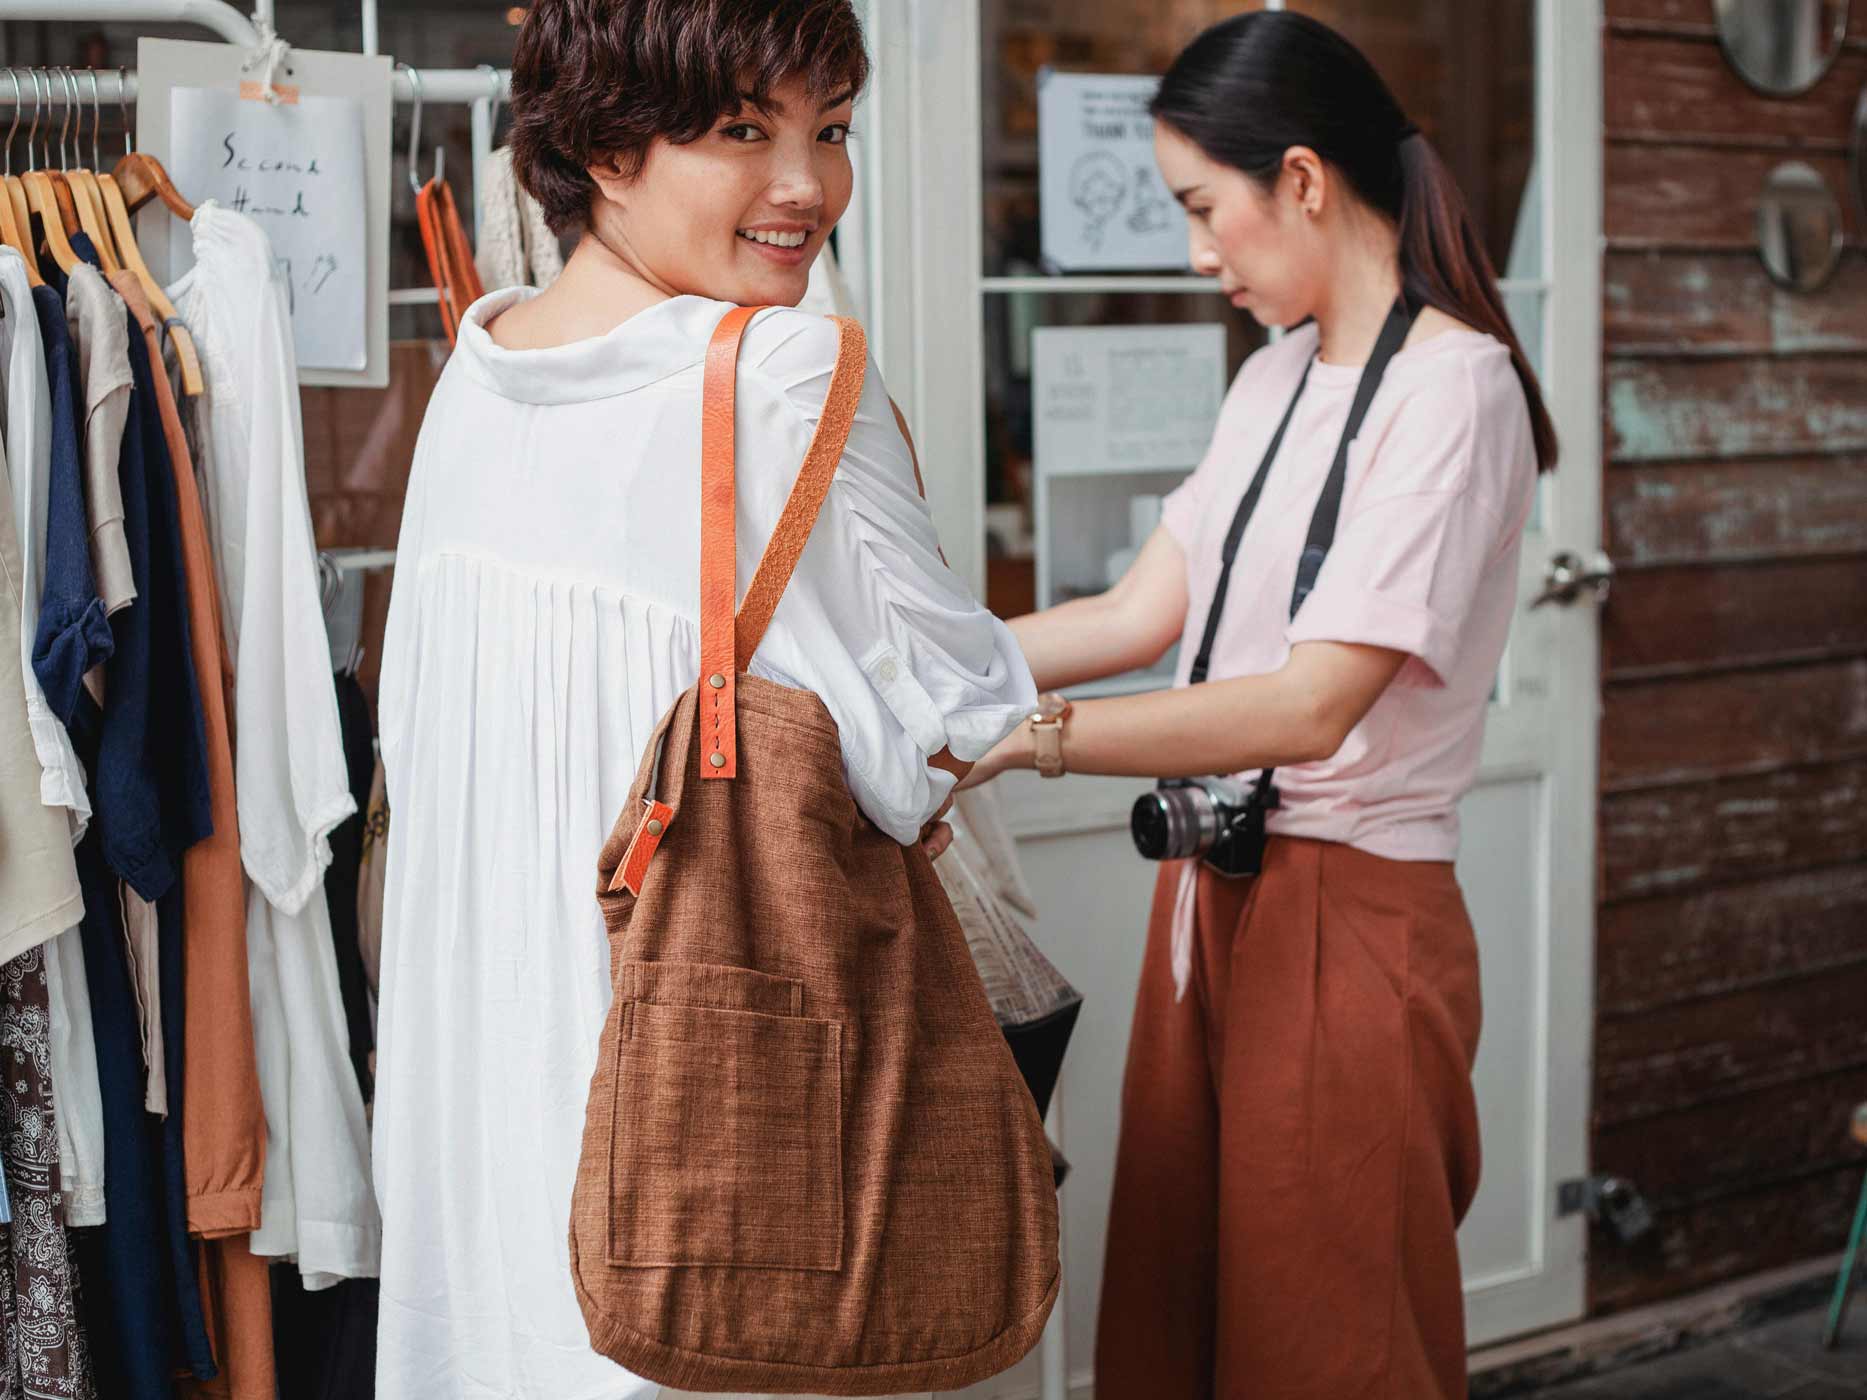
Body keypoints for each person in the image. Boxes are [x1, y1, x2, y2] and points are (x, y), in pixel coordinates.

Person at [372, 3, 1035, 1397]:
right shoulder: (789, 375)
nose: (809, 185)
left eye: (830, 130)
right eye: (746, 129)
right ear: (608, 147)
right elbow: (943, 734)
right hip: (710, 1159)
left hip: (492, 1130)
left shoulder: (476, 375)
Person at [963, 12, 1558, 1399]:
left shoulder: (1454, 389)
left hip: (1351, 917)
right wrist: (922, 662)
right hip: (1216, 897)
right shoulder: (1278, 373)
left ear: (1299, 179)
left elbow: (1308, 708)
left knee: (1329, 1347)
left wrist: (1030, 744)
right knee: (1180, 1315)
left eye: (1202, 209)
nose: (1193, 253)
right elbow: (1133, 617)